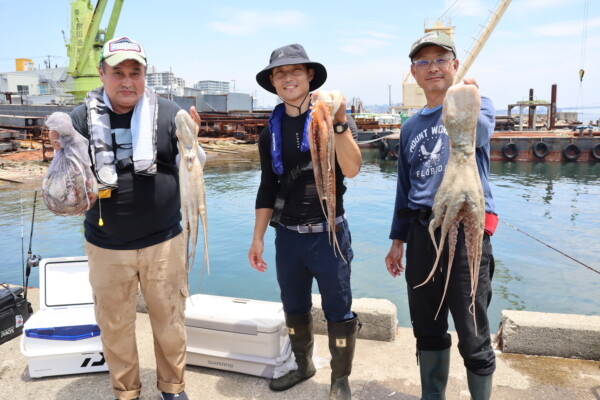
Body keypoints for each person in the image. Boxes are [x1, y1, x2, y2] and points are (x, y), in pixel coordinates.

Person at [49, 36, 205, 400]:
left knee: (169, 320)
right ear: (101, 74)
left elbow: (196, 165)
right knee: (114, 324)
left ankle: (172, 387)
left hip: (164, 240)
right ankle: (126, 391)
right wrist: (60, 152)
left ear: (145, 75)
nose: (127, 81)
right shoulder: (79, 118)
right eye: (117, 72)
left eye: (135, 72)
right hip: (105, 245)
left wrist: (193, 142)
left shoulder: (168, 113)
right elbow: (67, 183)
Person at [384, 31, 498, 400]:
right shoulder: (409, 127)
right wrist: (397, 240)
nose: (432, 67)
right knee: (427, 326)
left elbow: (479, 136)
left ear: (455, 65)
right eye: (423, 62)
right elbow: (404, 187)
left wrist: (468, 98)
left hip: (467, 233)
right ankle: (432, 396)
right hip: (421, 233)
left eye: (439, 59)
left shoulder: (477, 103)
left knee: (472, 328)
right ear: (413, 73)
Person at [248, 43, 362, 400]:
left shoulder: (331, 118)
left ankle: (340, 379)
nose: (288, 78)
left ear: (309, 75)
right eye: (279, 73)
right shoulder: (270, 132)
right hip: (289, 237)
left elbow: (353, 169)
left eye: (295, 70)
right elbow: (268, 186)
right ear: (272, 82)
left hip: (330, 233)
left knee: (338, 309)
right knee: (293, 306)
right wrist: (257, 239)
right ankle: (303, 365)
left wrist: (340, 120)